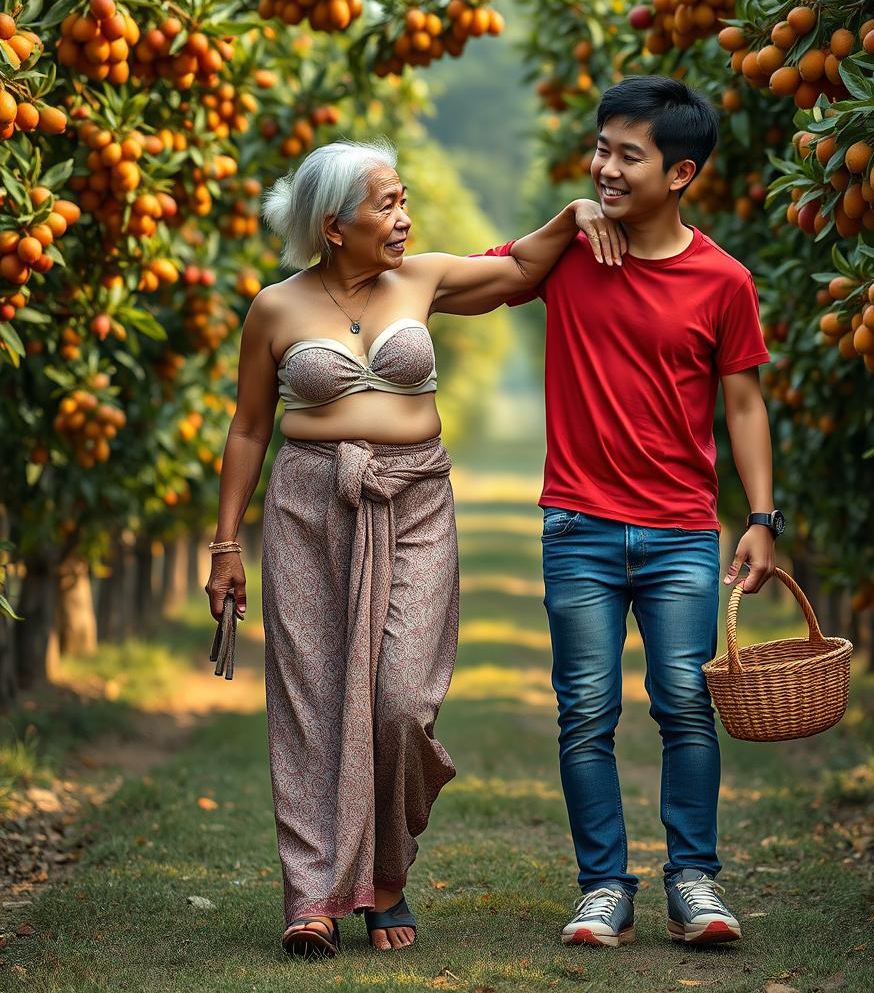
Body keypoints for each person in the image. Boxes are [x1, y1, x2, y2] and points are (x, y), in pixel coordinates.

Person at [203, 137, 623, 958]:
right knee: (312, 701)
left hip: (415, 500)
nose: (404, 217)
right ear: (334, 226)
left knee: (399, 701)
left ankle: (386, 873)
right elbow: (250, 425)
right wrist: (225, 542)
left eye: (403, 199)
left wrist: (574, 215)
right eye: (386, 205)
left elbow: (522, 272)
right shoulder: (276, 308)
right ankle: (314, 895)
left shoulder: (423, 277)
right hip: (309, 505)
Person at [434, 76, 782, 948]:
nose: (607, 168)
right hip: (578, 527)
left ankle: (693, 882)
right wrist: (559, 225)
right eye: (602, 149)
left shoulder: (723, 280)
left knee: (684, 705)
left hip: (678, 532)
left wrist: (762, 517)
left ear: (682, 173)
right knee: (585, 711)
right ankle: (603, 887)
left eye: (630, 155)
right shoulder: (572, 256)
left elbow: (743, 405)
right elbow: (463, 288)